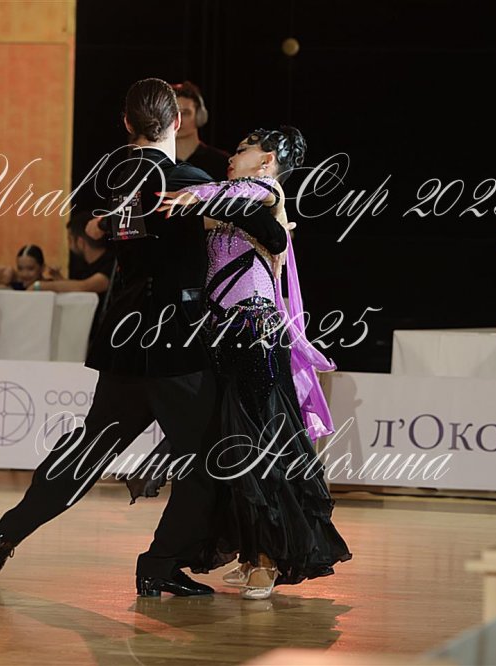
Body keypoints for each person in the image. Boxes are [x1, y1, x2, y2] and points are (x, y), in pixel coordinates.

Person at [0, 78, 288, 597]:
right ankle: (159, 564)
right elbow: (272, 234)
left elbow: (93, 229)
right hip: (176, 345)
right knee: (211, 460)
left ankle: (6, 533)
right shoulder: (187, 180)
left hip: (123, 342)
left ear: (126, 123)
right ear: (176, 123)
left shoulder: (112, 178)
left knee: (88, 451)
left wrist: (104, 226)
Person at [139, 127, 351, 600]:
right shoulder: (231, 202)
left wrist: (192, 194)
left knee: (260, 446)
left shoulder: (264, 190)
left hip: (255, 331)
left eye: (242, 150)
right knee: (233, 449)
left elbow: (237, 195)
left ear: (267, 159)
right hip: (223, 335)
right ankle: (252, 553)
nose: (231, 157)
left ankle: (268, 559)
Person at [173, 81, 230, 178]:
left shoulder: (222, 162)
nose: (178, 119)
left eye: (185, 113)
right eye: (172, 113)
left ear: (199, 115)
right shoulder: (157, 162)